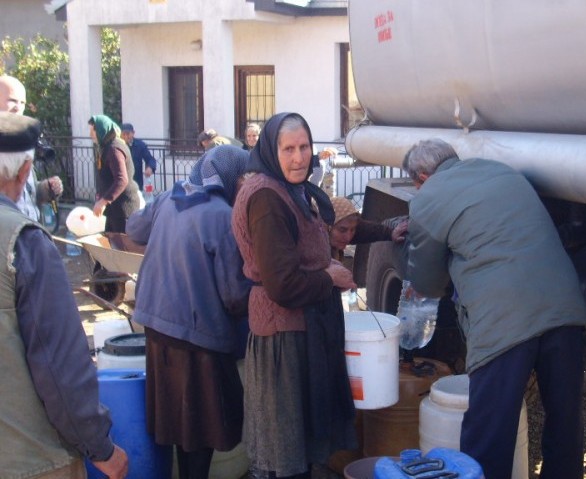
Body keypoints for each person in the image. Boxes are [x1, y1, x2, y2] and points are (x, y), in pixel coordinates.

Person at [402, 138, 586, 479]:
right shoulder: (500, 171)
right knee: (565, 424)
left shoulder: (429, 196)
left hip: (505, 323)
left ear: (421, 177)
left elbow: (427, 283)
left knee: (489, 433)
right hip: (564, 310)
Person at [0, 111, 129, 478]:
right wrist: (101, 447)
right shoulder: (23, 243)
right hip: (28, 458)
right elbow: (59, 366)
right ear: (25, 172)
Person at [231, 112, 358, 479]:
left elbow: (317, 237)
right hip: (283, 337)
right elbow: (282, 285)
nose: (299, 157)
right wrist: (329, 277)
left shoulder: (292, 190)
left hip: (302, 330)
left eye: (304, 147)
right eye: (288, 149)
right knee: (283, 454)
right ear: (272, 150)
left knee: (298, 451)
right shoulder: (267, 198)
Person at [127, 144, 252, 479]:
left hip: (155, 327)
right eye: (243, 179)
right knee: (198, 433)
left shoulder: (170, 197)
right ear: (227, 177)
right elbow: (234, 297)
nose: (245, 186)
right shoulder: (223, 217)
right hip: (197, 341)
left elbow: (134, 229)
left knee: (172, 423)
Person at [0, 74, 63, 222]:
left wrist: (46, 189)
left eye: (22, 103)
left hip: (27, 232)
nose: (18, 108)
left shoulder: (19, 142)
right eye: (12, 101)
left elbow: (29, 194)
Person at [89, 114, 140, 233]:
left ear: (101, 129)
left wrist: (103, 201)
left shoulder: (114, 149)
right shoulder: (107, 146)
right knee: (111, 245)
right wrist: (101, 196)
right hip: (114, 209)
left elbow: (122, 180)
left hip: (123, 210)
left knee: (122, 249)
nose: (90, 135)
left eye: (93, 130)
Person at [329, 195, 407, 263]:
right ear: (327, 226)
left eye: (352, 230)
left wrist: (391, 233)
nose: (348, 237)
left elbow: (366, 230)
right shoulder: (318, 251)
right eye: (342, 230)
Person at [120, 123, 157, 190]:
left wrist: (150, 167)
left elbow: (150, 159)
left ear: (133, 133)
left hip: (136, 181)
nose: (125, 137)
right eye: (123, 134)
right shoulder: (118, 146)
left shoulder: (140, 145)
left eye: (128, 134)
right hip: (121, 182)